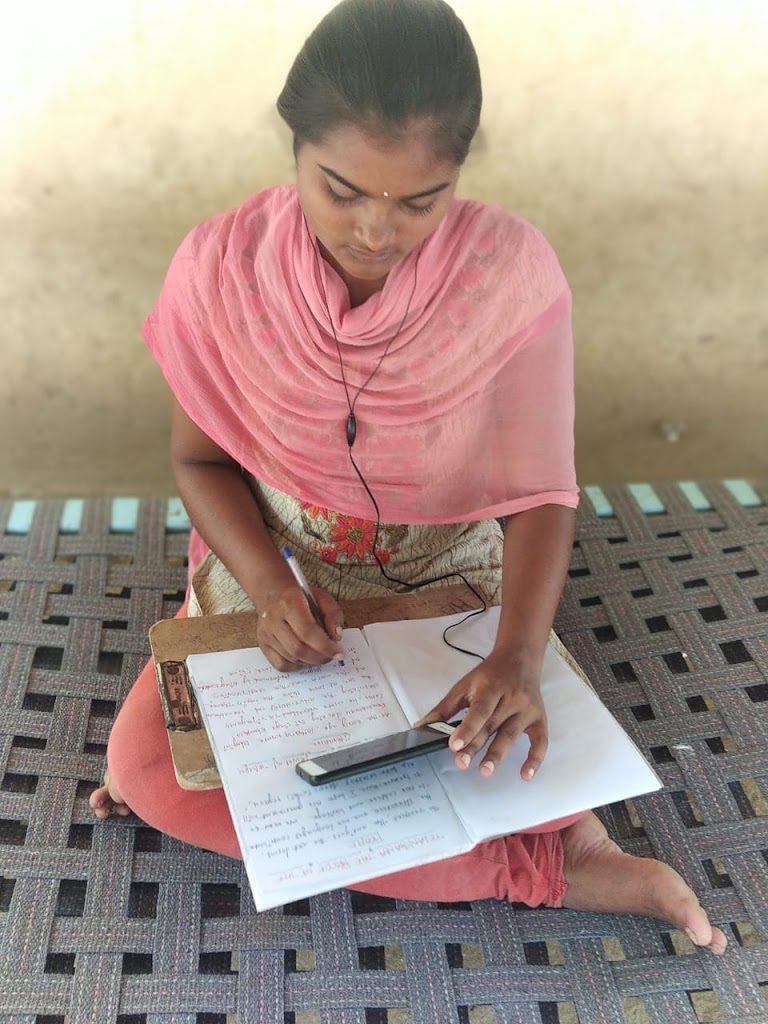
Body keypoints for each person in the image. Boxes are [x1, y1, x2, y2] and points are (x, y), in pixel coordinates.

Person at [90, 0, 726, 953]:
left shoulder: (509, 276)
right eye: (341, 189)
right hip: (279, 569)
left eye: (419, 202)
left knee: (521, 746)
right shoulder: (221, 268)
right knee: (145, 769)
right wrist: (269, 592)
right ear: (295, 144)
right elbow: (199, 460)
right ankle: (542, 863)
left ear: (458, 175)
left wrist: (517, 656)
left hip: (446, 581)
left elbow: (540, 494)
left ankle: (558, 838)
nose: (376, 231)